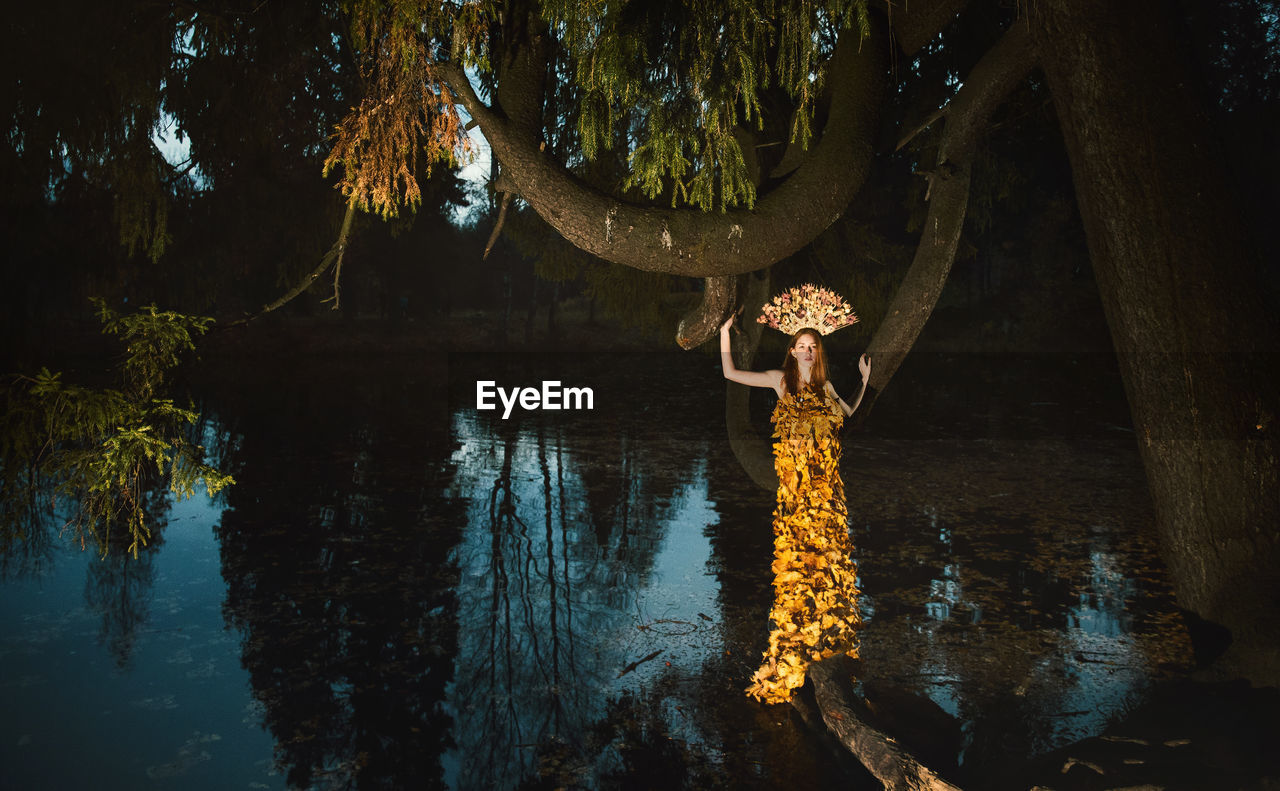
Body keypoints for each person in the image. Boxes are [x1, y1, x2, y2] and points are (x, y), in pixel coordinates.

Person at [719, 314, 871, 704]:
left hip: (826, 490)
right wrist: (723, 334)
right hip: (795, 490)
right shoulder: (779, 380)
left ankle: (827, 633)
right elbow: (731, 373)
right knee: (798, 555)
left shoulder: (827, 387)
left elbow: (848, 414)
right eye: (801, 344)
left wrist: (865, 380)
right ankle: (796, 638)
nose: (807, 350)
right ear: (792, 350)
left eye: (812, 345)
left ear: (818, 352)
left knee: (829, 554)